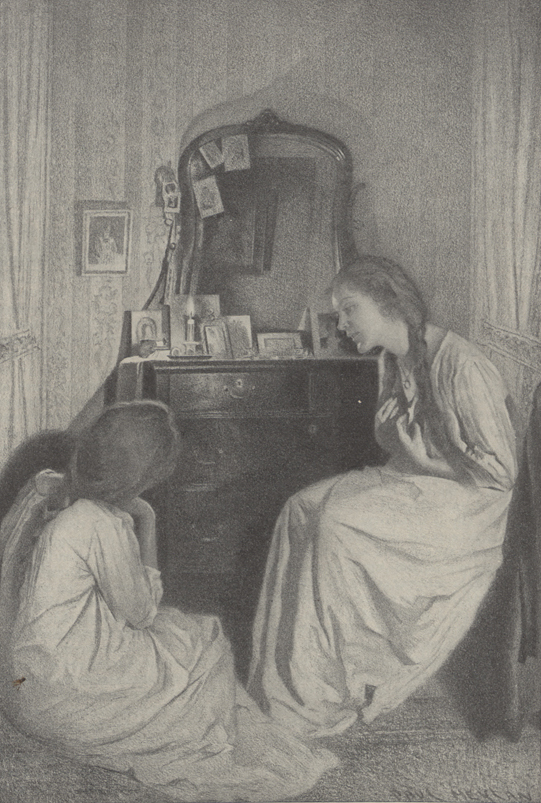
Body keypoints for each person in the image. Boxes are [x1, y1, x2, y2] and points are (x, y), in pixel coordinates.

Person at [0, 401, 337, 801]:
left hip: (24, 687)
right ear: (141, 476)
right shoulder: (100, 522)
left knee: (180, 633)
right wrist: (147, 519)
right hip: (64, 698)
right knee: (204, 642)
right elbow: (142, 613)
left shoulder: (54, 489)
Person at [247, 255, 517, 738]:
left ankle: (330, 688)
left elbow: (498, 475)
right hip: (415, 485)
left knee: (338, 523)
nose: (342, 325)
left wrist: (424, 458)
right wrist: (404, 447)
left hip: (466, 506)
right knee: (300, 508)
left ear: (388, 302)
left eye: (350, 310)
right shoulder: (392, 359)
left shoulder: (463, 364)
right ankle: (290, 679)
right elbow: (400, 444)